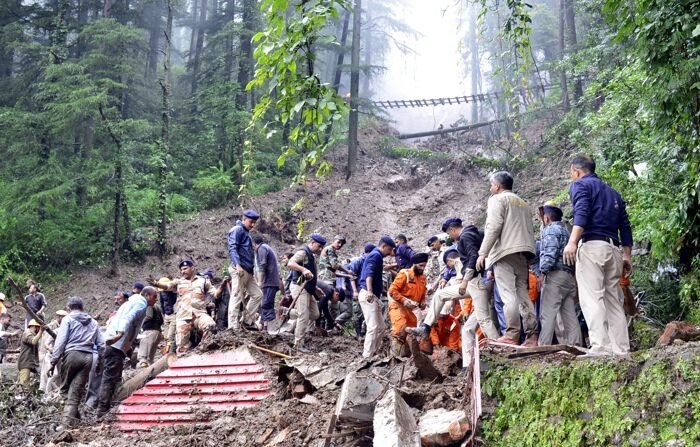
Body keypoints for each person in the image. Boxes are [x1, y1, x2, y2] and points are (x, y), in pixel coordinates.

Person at [563, 155, 633, 356]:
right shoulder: (614, 193)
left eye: (571, 173)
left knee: (592, 297)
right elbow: (625, 226)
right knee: (613, 300)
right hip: (613, 249)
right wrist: (627, 256)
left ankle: (601, 347)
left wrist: (572, 241)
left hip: (592, 246)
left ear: (576, 171)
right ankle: (621, 349)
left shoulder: (581, 186)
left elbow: (581, 213)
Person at [476, 171, 538, 346]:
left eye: (491, 185)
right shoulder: (523, 203)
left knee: (508, 295)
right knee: (523, 295)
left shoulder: (497, 199)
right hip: (523, 253)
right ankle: (532, 335)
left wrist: (483, 253)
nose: (490, 188)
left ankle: (511, 334)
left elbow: (493, 227)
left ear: (497, 186)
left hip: (504, 252)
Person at [98, 286, 157, 416]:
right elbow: (128, 318)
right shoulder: (141, 303)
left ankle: (110, 405)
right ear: (147, 295)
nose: (156, 299)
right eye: (154, 296)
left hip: (117, 345)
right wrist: (120, 334)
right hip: (116, 345)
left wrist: (128, 345)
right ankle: (102, 410)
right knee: (110, 378)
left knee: (114, 377)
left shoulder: (131, 302)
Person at [49, 297, 104, 427]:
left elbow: (60, 342)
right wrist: (99, 363)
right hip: (88, 357)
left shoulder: (67, 319)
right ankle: (74, 419)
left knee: (64, 390)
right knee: (76, 391)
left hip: (72, 355)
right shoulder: (94, 322)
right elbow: (102, 345)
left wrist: (53, 361)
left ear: (68, 308)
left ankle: (66, 424)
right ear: (82, 308)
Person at [535, 204, 583, 346]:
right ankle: (576, 345)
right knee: (569, 315)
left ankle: (544, 347)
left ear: (546, 217)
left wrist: (542, 272)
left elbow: (550, 253)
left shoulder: (550, 230)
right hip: (569, 277)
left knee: (547, 314)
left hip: (555, 276)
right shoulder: (567, 231)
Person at [153, 260, 216, 355]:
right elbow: (167, 286)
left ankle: (204, 350)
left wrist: (223, 286)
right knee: (181, 346)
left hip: (199, 314)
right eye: (181, 269)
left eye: (185, 269)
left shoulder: (203, 280)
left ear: (192, 268)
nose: (183, 271)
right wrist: (157, 284)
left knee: (210, 325)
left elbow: (215, 293)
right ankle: (182, 361)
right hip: (183, 317)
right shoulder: (178, 282)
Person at [286, 234, 326, 353]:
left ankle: (288, 312)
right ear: (312, 243)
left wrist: (315, 288)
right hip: (299, 287)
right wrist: (303, 270)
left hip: (308, 289)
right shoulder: (303, 252)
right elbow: (290, 263)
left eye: (322, 247)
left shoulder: (311, 256)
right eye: (319, 246)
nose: (320, 249)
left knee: (315, 314)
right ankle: (298, 344)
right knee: (303, 315)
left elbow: (310, 276)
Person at [359, 236, 396, 358]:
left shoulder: (377, 256)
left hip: (372, 295)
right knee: (373, 326)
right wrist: (370, 291)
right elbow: (369, 273)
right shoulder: (376, 255)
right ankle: (366, 356)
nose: (390, 253)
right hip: (368, 294)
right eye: (389, 250)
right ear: (383, 246)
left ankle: (373, 352)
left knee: (381, 327)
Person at [227, 209, 264, 330]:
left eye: (254, 222)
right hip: (239, 269)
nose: (252, 225)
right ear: (244, 219)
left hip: (248, 271)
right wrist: (237, 265)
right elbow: (232, 248)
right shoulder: (237, 230)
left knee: (258, 295)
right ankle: (232, 328)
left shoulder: (246, 233)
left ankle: (246, 322)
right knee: (236, 298)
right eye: (251, 222)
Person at [388, 252, 429, 356]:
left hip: (412, 311)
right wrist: (404, 300)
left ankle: (406, 359)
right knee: (399, 330)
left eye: (424, 265)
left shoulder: (423, 278)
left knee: (410, 335)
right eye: (421, 265)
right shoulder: (404, 274)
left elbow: (422, 293)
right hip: (398, 306)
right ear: (414, 264)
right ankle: (394, 358)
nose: (423, 268)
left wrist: (423, 301)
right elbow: (392, 291)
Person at [342, 243, 375, 339]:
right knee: (357, 312)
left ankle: (364, 333)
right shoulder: (358, 261)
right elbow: (352, 276)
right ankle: (358, 334)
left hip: (364, 291)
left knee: (365, 312)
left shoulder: (368, 261)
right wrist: (355, 291)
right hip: (357, 290)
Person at [253, 234, 284, 331]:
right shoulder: (267, 248)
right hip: (272, 281)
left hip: (269, 282)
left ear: (253, 243)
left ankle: (272, 328)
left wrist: (260, 282)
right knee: (266, 305)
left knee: (266, 304)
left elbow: (262, 266)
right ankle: (266, 328)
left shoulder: (262, 249)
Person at [39, 309, 67, 395]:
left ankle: (54, 393)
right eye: (61, 317)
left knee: (58, 375)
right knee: (49, 373)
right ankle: (45, 392)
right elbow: (45, 343)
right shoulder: (51, 327)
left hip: (61, 357)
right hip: (50, 355)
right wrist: (53, 351)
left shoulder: (65, 330)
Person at [137, 300, 164, 367]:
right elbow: (161, 320)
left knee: (143, 358)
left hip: (149, 331)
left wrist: (139, 323)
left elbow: (149, 316)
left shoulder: (148, 305)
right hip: (157, 331)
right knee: (150, 358)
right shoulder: (157, 306)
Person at [18, 319, 44, 386]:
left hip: (31, 363)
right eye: (38, 328)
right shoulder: (27, 333)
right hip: (25, 363)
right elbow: (33, 341)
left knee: (29, 383)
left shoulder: (32, 334)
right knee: (24, 384)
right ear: (35, 327)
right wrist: (41, 331)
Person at [158, 278, 178, 352]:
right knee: (166, 336)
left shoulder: (174, 292)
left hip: (174, 315)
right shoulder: (161, 292)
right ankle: (167, 351)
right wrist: (164, 313)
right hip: (166, 315)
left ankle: (171, 352)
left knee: (171, 336)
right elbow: (162, 303)